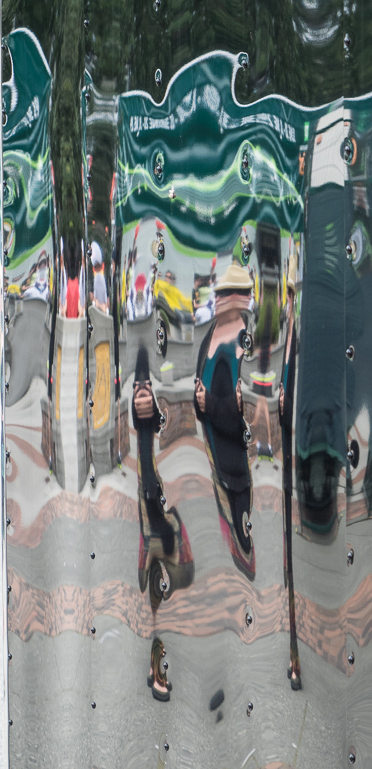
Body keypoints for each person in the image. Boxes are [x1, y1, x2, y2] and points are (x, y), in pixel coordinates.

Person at [132, 346, 195, 700]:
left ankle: (155, 664)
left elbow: (160, 420)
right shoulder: (138, 426)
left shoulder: (158, 420)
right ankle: (157, 669)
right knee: (161, 597)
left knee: (166, 593)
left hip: (161, 521)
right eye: (137, 386)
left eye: (147, 386)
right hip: (154, 525)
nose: (142, 393)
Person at [195, 261, 256, 579]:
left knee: (241, 543)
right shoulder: (210, 335)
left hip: (236, 468)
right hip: (212, 462)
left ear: (240, 298)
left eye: (226, 293)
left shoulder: (245, 343)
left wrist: (210, 404)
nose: (218, 299)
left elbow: (245, 415)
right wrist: (199, 401)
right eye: (218, 293)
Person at [90, 241, 108, 313]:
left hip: (101, 302)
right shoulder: (97, 277)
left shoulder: (102, 277)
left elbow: (104, 290)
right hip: (98, 302)